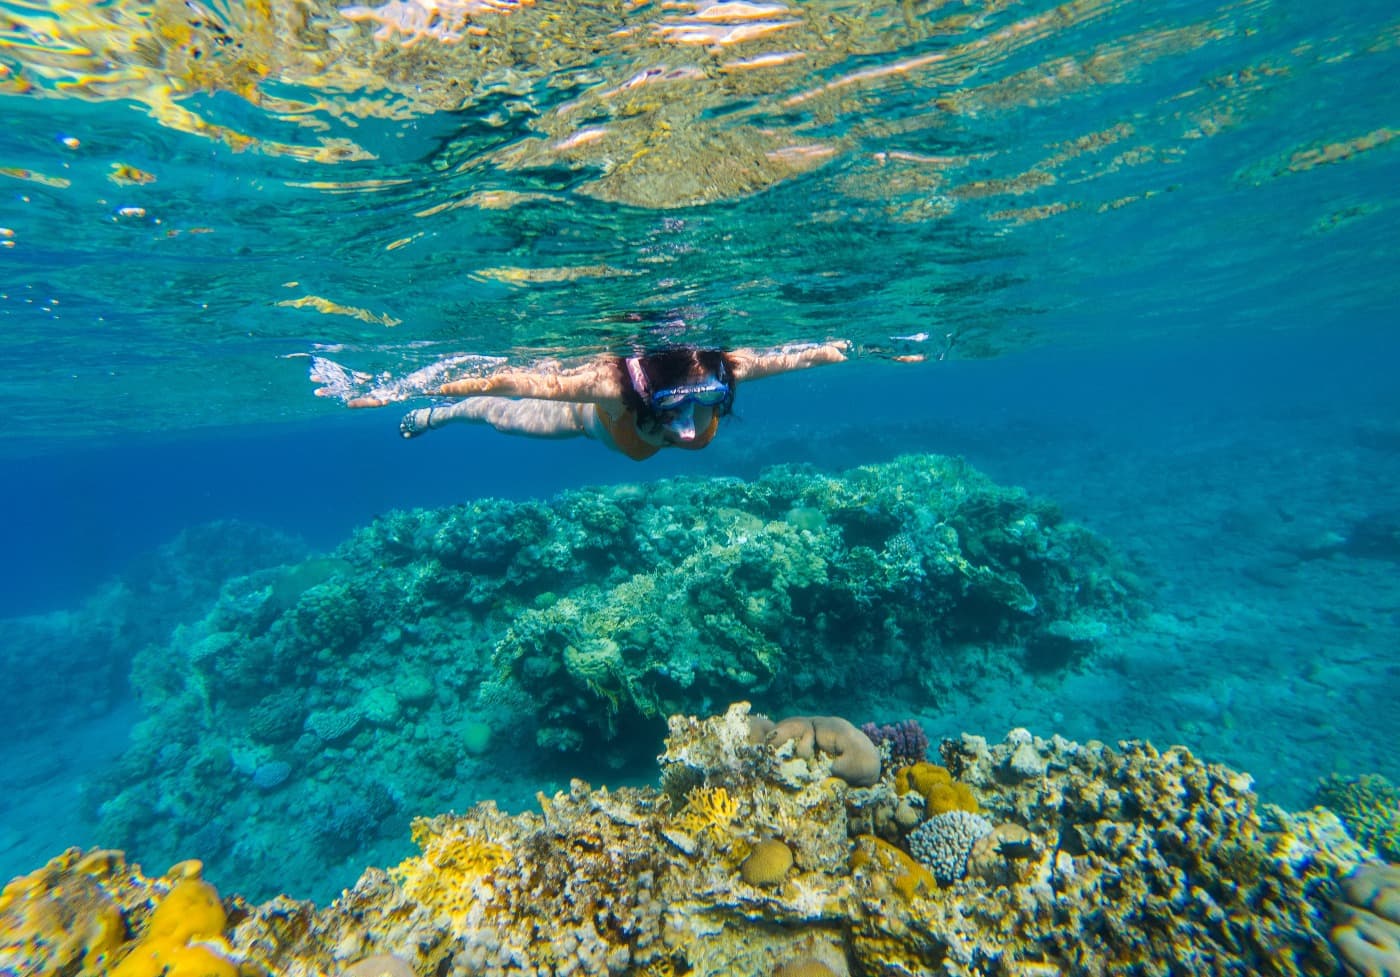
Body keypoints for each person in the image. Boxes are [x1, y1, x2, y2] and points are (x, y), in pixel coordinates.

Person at [324, 342, 849, 460]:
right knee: (500, 418)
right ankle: (441, 419)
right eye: (672, 405)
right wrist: (404, 390)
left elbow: (806, 356)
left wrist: (847, 351)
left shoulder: (730, 369)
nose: (687, 425)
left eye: (708, 397)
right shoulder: (608, 388)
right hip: (590, 424)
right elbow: (511, 384)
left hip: (624, 434)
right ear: (647, 395)